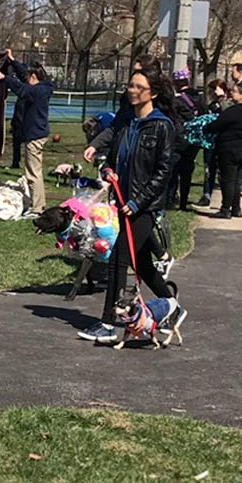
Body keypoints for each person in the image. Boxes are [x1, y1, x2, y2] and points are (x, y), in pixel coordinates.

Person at [77, 62, 178, 343]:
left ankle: (108, 324)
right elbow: (114, 158)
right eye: (131, 85)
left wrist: (137, 202)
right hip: (123, 202)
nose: (132, 91)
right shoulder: (128, 123)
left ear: (153, 93)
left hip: (145, 207)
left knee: (119, 258)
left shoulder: (161, 126)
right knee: (143, 264)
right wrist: (108, 169)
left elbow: (162, 173)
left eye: (139, 87)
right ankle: (172, 305)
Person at [0, 52, 53, 215]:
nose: (26, 78)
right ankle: (39, 204)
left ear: (34, 76)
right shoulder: (43, 87)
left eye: (28, 77)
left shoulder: (36, 92)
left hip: (34, 136)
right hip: (39, 133)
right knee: (36, 171)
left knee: (33, 173)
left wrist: (4, 78)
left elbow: (21, 88)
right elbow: (23, 78)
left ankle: (37, 207)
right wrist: (13, 61)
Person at [204, 81, 242, 219]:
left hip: (230, 149)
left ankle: (225, 209)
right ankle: (236, 208)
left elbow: (219, 123)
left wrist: (206, 128)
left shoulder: (235, 111)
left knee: (228, 180)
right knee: (236, 180)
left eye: (235, 91)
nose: (231, 93)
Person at [168, 67, 206, 211]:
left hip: (179, 139)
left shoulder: (176, 100)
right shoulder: (199, 98)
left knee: (173, 170)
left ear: (176, 83)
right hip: (194, 140)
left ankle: (170, 199)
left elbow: (172, 118)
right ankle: (184, 202)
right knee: (187, 171)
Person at [196, 79, 230, 206]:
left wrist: (222, 98)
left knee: (223, 173)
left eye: (215, 89)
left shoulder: (228, 103)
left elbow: (227, 115)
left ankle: (227, 202)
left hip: (222, 143)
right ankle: (206, 195)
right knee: (208, 170)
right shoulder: (211, 105)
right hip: (210, 142)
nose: (212, 93)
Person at [10, 95, 26, 169]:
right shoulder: (20, 99)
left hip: (21, 125)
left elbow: (18, 113)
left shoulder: (22, 100)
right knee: (16, 145)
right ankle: (15, 162)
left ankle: (16, 162)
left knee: (18, 145)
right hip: (18, 125)